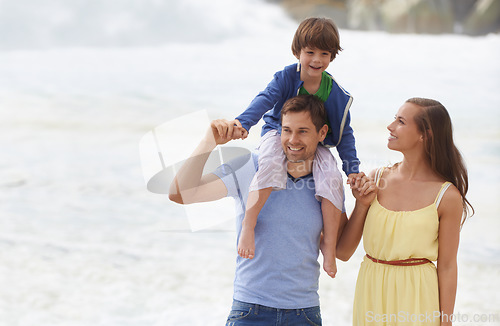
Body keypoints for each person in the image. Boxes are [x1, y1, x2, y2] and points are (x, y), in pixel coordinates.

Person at [169, 95, 344, 325]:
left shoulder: (327, 182)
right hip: (250, 312)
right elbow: (181, 193)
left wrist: (362, 203)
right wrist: (208, 142)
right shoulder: (249, 167)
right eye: (286, 130)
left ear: (322, 133)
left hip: (304, 313)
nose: (292, 140)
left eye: (303, 131)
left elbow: (343, 250)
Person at [233, 17, 360, 279]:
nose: (316, 59)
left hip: (316, 143)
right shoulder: (285, 77)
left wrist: (352, 169)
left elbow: (345, 133)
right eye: (310, 52)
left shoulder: (335, 93)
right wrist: (243, 123)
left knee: (331, 180)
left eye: (324, 54)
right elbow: (264, 99)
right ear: (298, 52)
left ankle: (328, 244)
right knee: (269, 165)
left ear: (332, 56)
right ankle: (249, 222)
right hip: (278, 133)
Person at [336, 98, 474, 325]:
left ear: (425, 134)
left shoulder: (447, 196)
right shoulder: (376, 180)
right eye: (394, 119)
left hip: (419, 299)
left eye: (401, 122)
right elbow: (342, 252)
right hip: (371, 293)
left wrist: (446, 322)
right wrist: (361, 204)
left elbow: (448, 266)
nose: (390, 127)